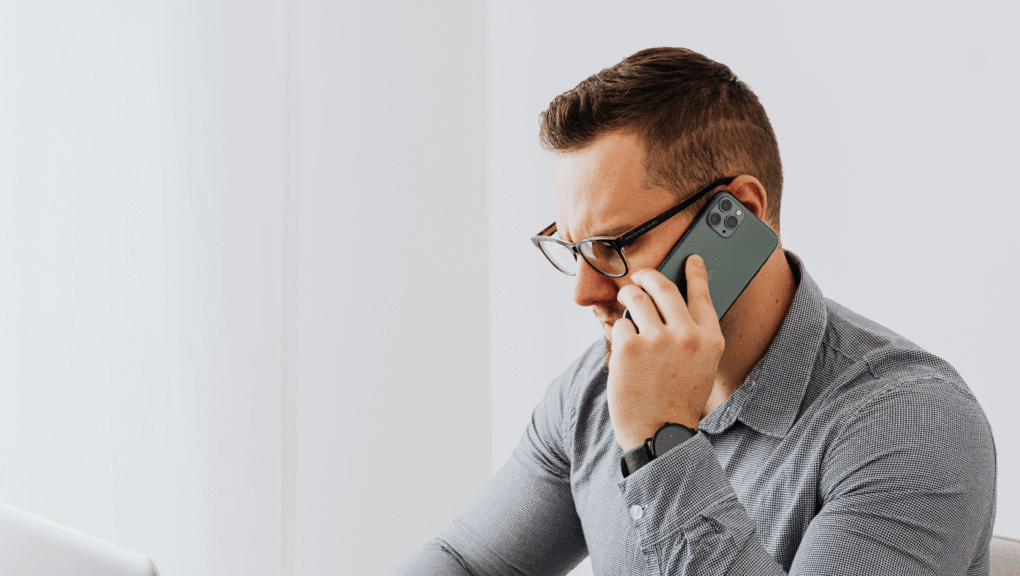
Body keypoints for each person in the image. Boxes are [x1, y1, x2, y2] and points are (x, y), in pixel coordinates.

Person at [390, 47, 996, 575]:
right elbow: (467, 561)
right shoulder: (591, 391)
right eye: (573, 248)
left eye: (616, 244)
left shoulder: (914, 422)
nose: (583, 291)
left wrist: (660, 442)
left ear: (738, 218)